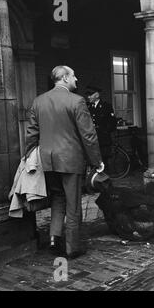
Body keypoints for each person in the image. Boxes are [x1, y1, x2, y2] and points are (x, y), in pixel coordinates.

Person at [25, 65, 104, 259]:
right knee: (73, 204)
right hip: (71, 160)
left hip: (48, 160)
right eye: (74, 76)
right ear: (65, 78)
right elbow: (89, 135)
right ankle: (72, 247)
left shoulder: (38, 101)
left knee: (57, 199)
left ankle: (54, 237)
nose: (76, 79)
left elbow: (31, 134)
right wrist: (97, 161)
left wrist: (28, 156)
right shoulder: (77, 101)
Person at [85, 85, 117, 168]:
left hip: (103, 139)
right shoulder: (87, 106)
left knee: (104, 161)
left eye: (90, 95)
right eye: (87, 95)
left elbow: (112, 122)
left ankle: (104, 179)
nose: (88, 97)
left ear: (97, 95)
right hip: (91, 138)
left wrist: (105, 131)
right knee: (92, 160)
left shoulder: (106, 106)